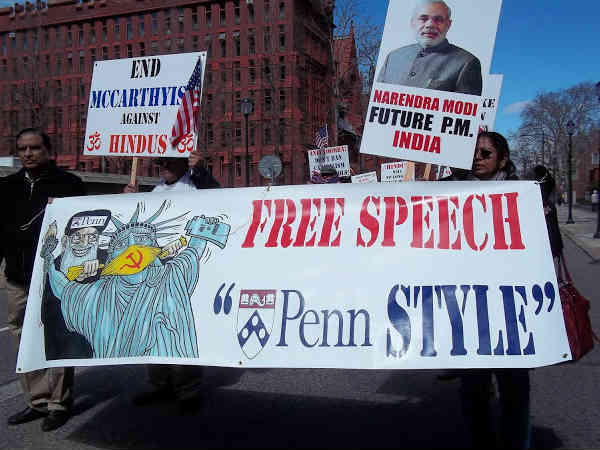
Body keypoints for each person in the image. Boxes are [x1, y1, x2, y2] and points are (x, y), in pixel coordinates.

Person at [444, 132, 530, 449]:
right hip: (469, 305)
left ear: (503, 160)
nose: (477, 158)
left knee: (514, 388)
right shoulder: (450, 192)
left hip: (510, 305)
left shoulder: (523, 195)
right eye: (474, 153)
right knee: (473, 389)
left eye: (485, 153)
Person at [1, 128, 86, 431]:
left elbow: (83, 229)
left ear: (48, 150)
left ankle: (59, 403)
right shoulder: (7, 186)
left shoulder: (69, 184)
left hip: (53, 275)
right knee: (23, 337)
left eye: (34, 148)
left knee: (57, 335)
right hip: (17, 277)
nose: (28, 153)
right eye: (22, 148)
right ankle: (37, 400)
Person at [123, 150, 220, 412]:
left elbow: (217, 198)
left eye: (169, 162)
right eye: (160, 163)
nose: (163, 167)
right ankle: (159, 383)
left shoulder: (194, 185)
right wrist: (129, 201)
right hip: (154, 271)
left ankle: (188, 390)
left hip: (181, 268)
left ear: (183, 163)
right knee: (152, 330)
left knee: (179, 329)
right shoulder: (155, 191)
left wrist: (201, 170)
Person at [42, 210, 111, 360]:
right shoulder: (53, 268)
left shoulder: (106, 259)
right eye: (77, 237)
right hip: (64, 345)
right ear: (65, 241)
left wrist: (101, 273)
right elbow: (46, 312)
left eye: (91, 237)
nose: (84, 243)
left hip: (102, 346)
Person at [377, 0, 482, 95]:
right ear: (413, 22)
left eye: (438, 19)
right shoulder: (393, 57)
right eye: (423, 19)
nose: (430, 25)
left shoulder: (467, 63)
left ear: (448, 24)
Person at [532, 165, 563, 261]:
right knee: (552, 233)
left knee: (548, 235)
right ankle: (554, 251)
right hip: (549, 209)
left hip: (545, 210)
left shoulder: (539, 183)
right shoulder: (548, 181)